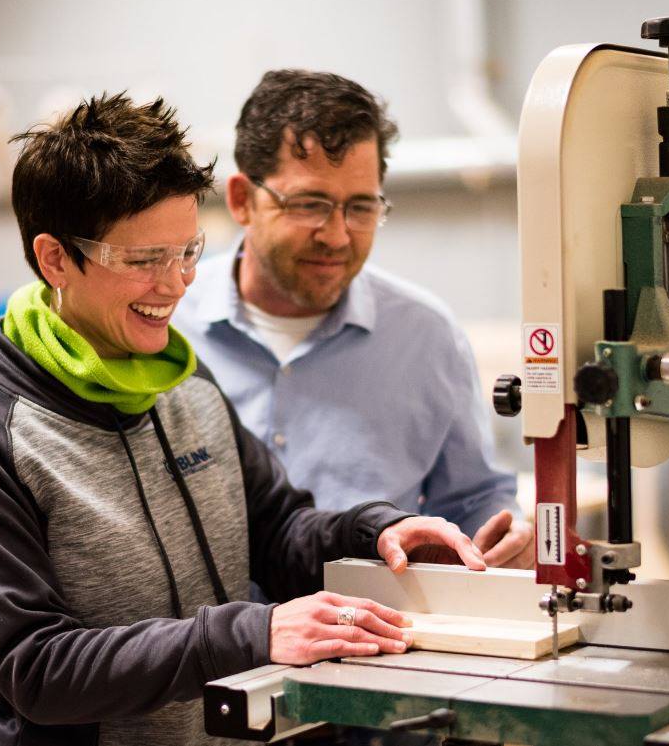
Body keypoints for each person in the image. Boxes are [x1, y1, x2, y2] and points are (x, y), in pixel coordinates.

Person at [0, 93, 487, 746]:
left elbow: (278, 532)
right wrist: (250, 633)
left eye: (187, 251)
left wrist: (375, 532)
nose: (176, 283)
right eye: (143, 261)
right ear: (54, 260)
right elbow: (38, 669)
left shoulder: (183, 384)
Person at [172, 70, 534, 568]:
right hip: (205, 641)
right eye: (309, 205)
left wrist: (504, 530)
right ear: (241, 200)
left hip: (381, 639)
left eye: (361, 208)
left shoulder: (426, 338)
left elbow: (473, 499)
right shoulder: (166, 328)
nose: (338, 236)